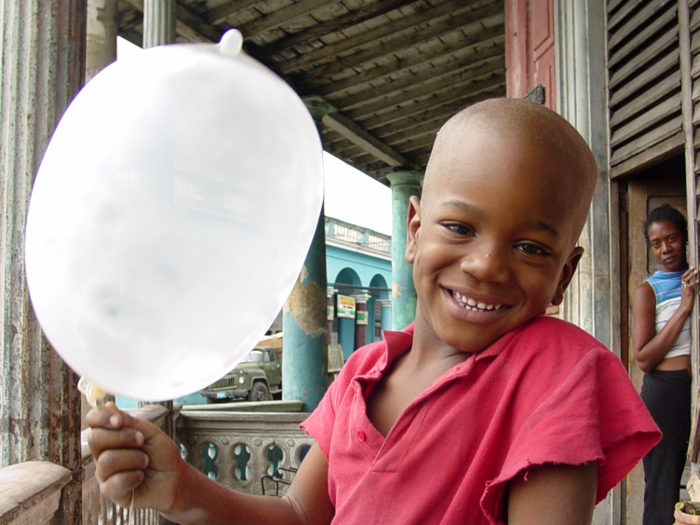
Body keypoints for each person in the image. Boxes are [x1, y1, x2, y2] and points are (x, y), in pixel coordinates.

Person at [87, 98, 661, 525]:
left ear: (563, 273)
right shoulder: (360, 375)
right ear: (414, 231)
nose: (486, 265)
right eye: (459, 228)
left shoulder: (556, 373)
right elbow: (299, 515)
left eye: (531, 248)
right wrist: (184, 489)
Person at [633, 204, 698, 525]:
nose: (665, 249)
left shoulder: (695, 277)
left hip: (694, 390)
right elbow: (643, 358)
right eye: (657, 244)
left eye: (671, 239)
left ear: (685, 238)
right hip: (666, 393)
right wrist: (683, 308)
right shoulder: (649, 291)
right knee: (663, 487)